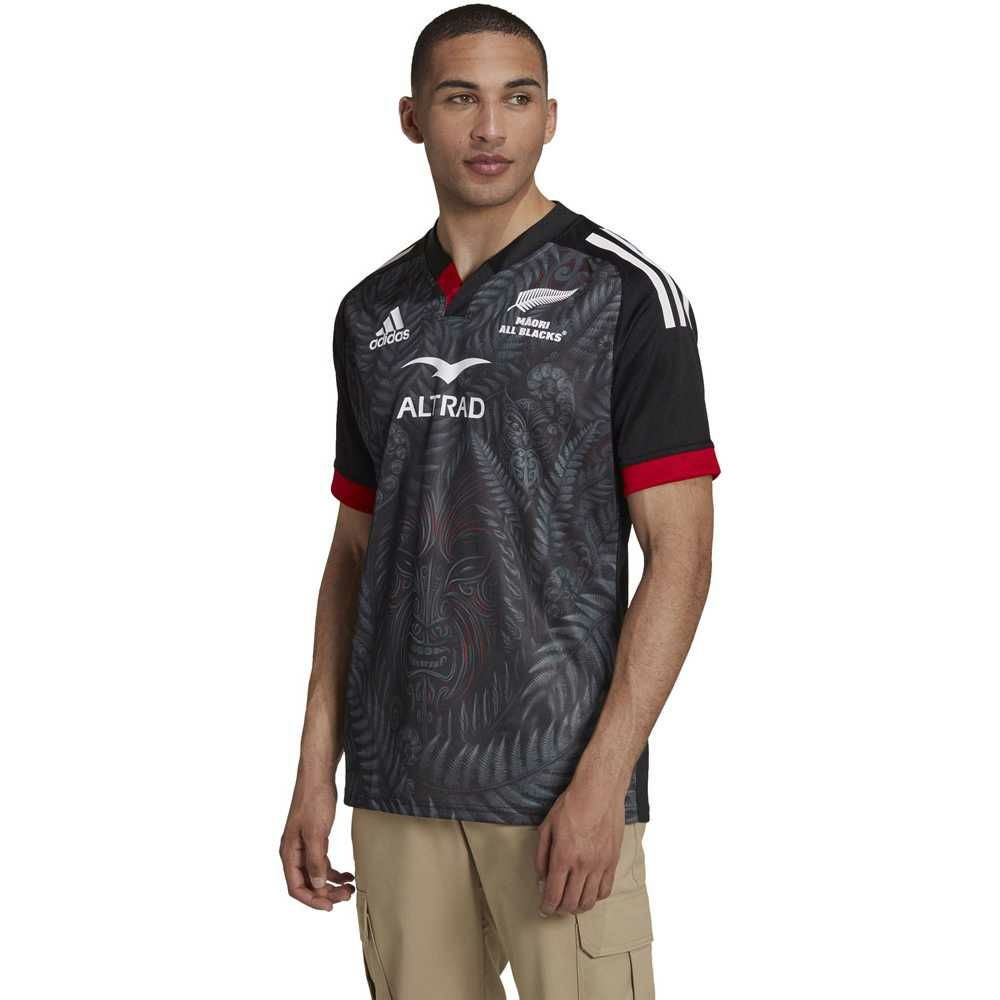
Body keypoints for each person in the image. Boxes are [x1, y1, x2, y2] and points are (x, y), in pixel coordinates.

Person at [279, 5, 720, 997]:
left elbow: (682, 555)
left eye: (517, 99)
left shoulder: (624, 294)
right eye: (459, 98)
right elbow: (355, 553)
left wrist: (604, 776)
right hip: (396, 789)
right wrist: (316, 767)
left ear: (550, 117)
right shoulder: (372, 312)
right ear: (412, 117)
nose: (489, 127)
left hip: (559, 789)